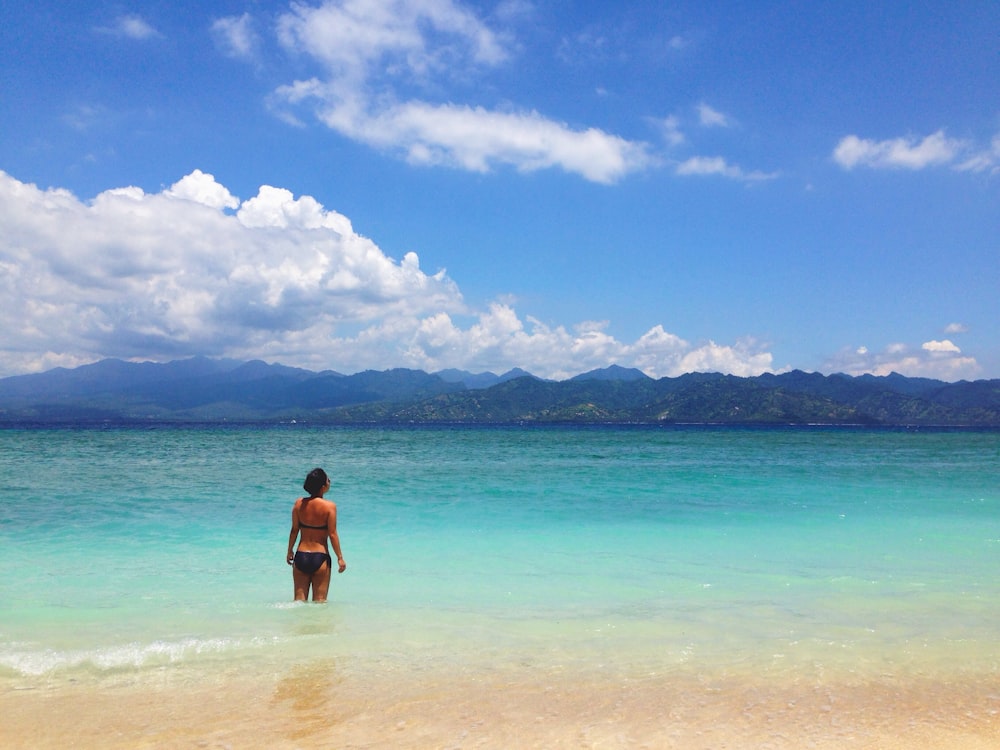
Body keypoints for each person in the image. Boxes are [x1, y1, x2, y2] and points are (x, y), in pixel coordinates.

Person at [286, 467, 346, 602]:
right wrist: (340, 558)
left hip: (301, 555)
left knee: (299, 602)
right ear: (323, 486)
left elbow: (294, 530)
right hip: (320, 557)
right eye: (328, 480)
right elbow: (332, 534)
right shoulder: (329, 507)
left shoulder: (298, 503)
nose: (329, 481)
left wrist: (290, 550)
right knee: (320, 602)